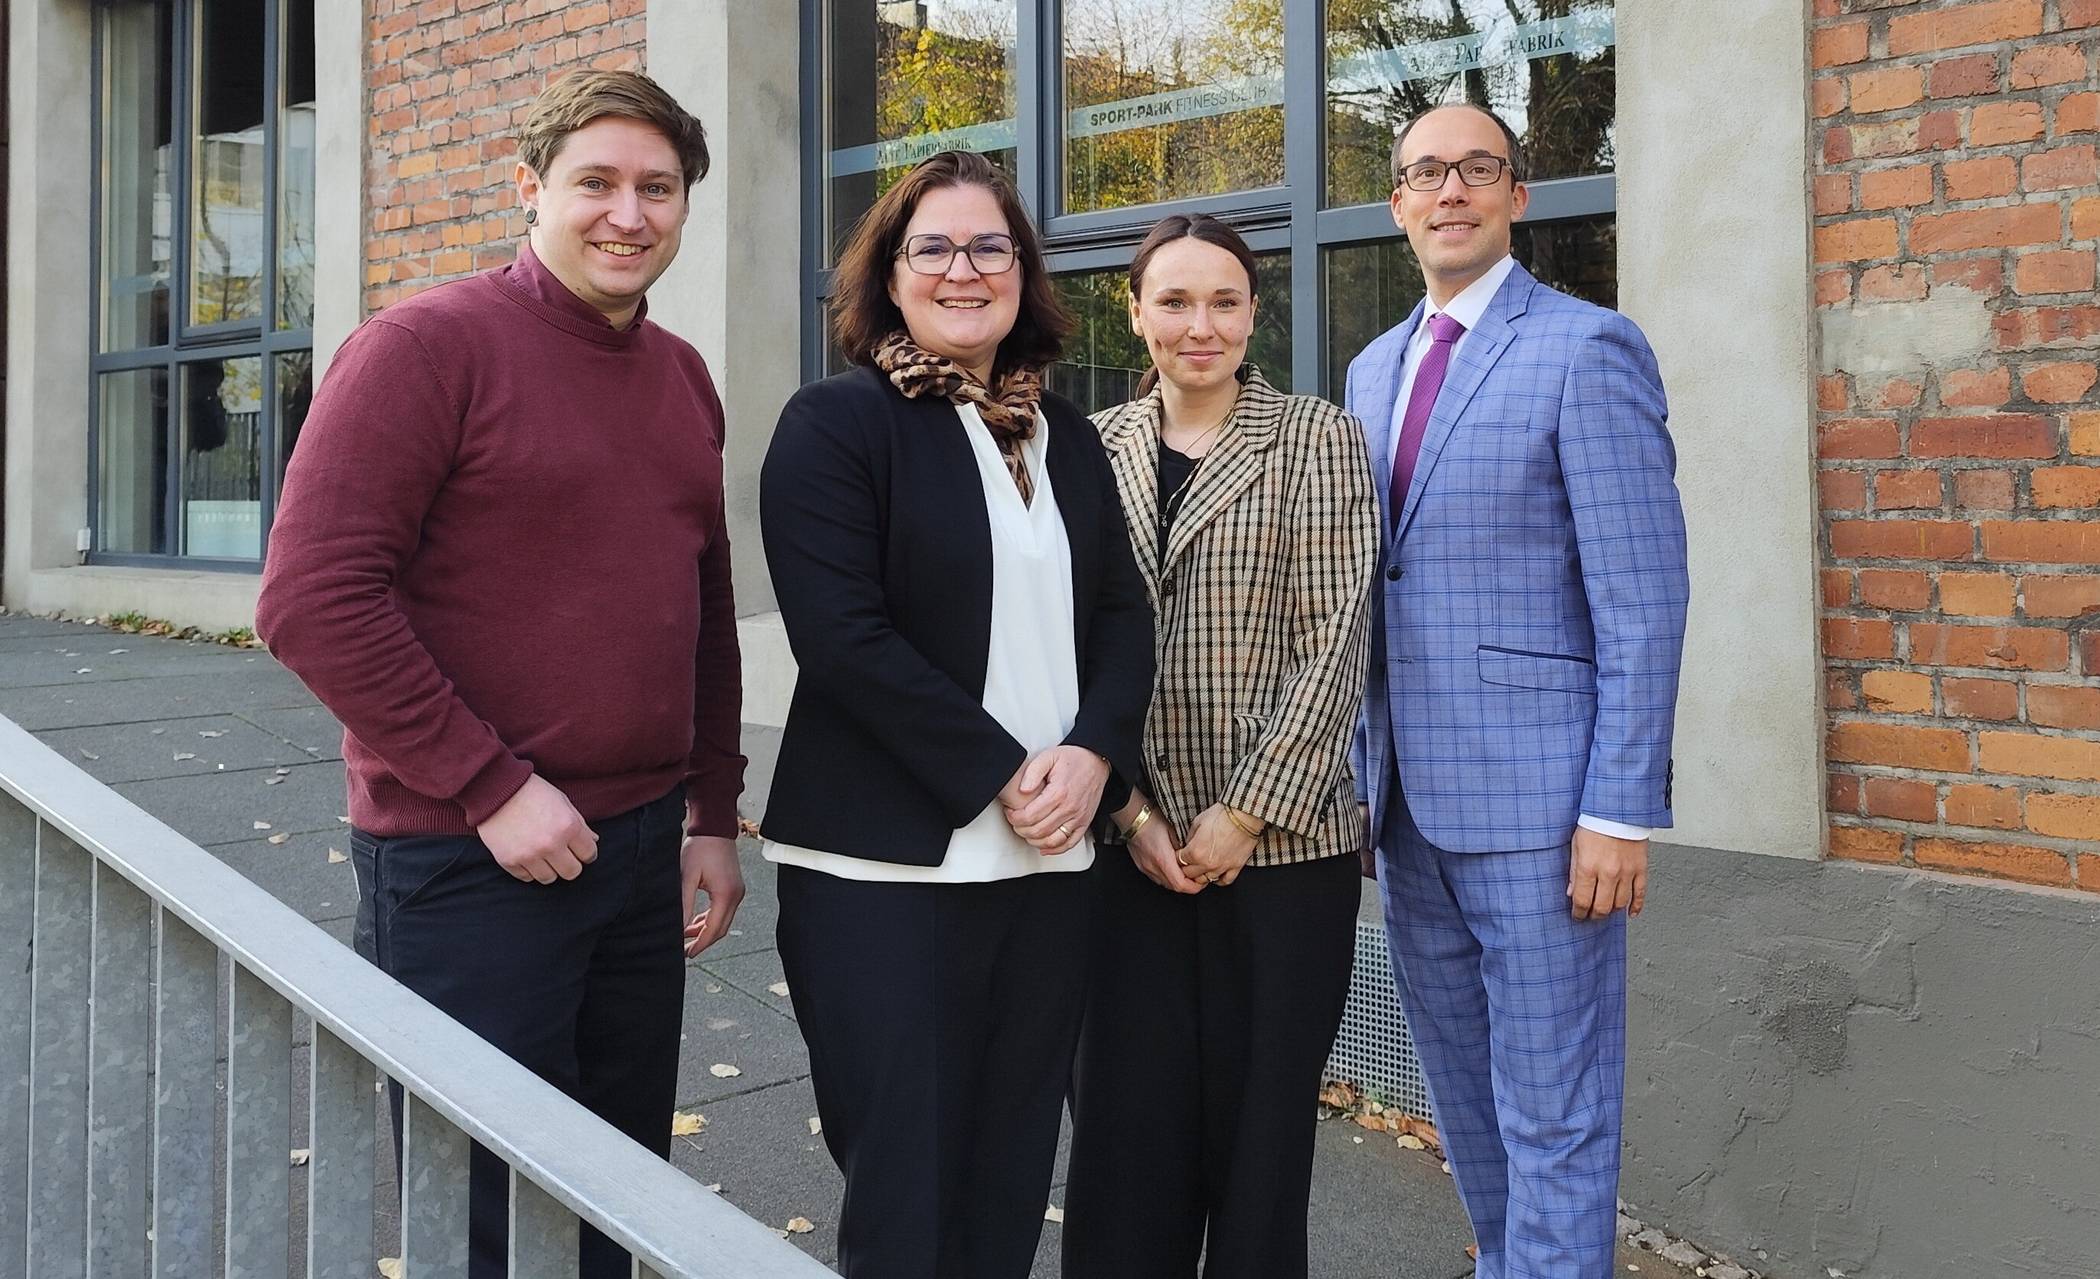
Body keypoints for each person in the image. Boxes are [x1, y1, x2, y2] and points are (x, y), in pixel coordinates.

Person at [255, 70, 743, 1279]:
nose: (628, 214)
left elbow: (704, 606)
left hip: (636, 853)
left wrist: (714, 811)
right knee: (484, 1208)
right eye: (596, 183)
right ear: (529, 190)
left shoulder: (681, 375)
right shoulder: (423, 348)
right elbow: (311, 600)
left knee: (614, 1191)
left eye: (657, 189)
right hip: (466, 858)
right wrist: (489, 786)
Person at [757, 149, 1153, 1278]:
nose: (963, 269)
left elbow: (1123, 619)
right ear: (889, 276)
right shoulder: (835, 425)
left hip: (1049, 866)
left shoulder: (1063, 434)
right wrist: (1005, 773)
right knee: (908, 1188)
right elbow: (845, 640)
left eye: (990, 246)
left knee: (1012, 1170)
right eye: (932, 246)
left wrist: (1091, 758)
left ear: (1023, 273)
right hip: (886, 875)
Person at [1346, 102, 1690, 1279]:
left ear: (1517, 196)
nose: (1450, 192)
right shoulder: (1372, 367)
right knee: (1466, 1098)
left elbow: (1642, 602)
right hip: (1403, 806)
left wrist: (1618, 808)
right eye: (1425, 173)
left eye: (1476, 170)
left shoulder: (1588, 347)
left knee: (1558, 1108)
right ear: (1398, 205)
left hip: (1547, 815)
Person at [1061, 214, 1380, 1279]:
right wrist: (1134, 812)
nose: (1201, 326)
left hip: (1284, 855)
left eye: (1226, 302)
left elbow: (1335, 638)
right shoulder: (1085, 447)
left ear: (1254, 312)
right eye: (1176, 301)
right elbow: (1063, 644)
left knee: (1260, 1148)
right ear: (1137, 310)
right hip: (1124, 853)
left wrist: (1245, 811)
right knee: (1122, 1139)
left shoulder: (1316, 437)